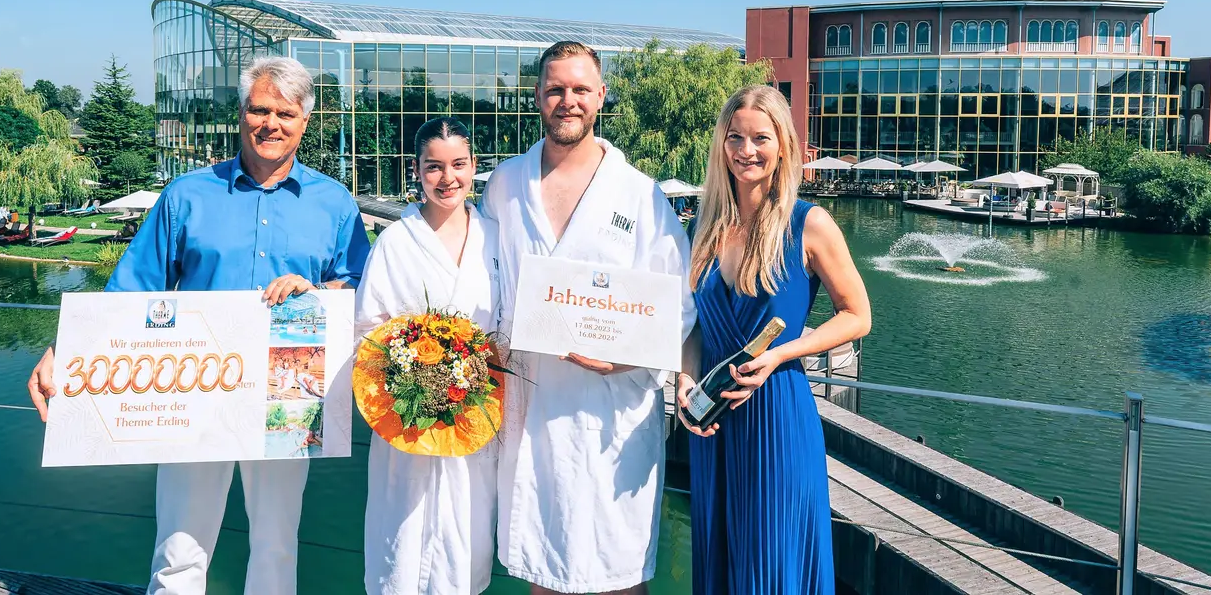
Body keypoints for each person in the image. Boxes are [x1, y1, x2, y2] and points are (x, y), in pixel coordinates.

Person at [26, 55, 371, 595]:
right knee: (180, 548)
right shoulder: (186, 195)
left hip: (290, 391)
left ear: (306, 120)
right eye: (260, 109)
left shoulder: (335, 203)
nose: (270, 124)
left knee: (277, 545)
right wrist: (64, 350)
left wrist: (321, 290)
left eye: (285, 113)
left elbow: (361, 289)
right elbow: (133, 287)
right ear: (241, 113)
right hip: (195, 387)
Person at [479, 41, 694, 595]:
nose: (567, 101)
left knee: (618, 573)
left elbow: (680, 302)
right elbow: (484, 284)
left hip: (612, 415)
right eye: (555, 89)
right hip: (533, 409)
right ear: (537, 97)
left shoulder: (642, 196)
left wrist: (628, 356)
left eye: (579, 89)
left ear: (600, 96)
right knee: (542, 570)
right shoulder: (505, 185)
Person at [676, 85, 871, 595]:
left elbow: (857, 316)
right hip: (710, 424)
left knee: (772, 560)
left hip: (777, 416)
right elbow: (693, 324)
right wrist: (684, 380)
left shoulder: (809, 224)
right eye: (735, 137)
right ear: (722, 145)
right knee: (720, 559)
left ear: (783, 144)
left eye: (760, 137)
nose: (746, 150)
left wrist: (783, 352)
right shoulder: (704, 225)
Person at [356, 117, 501, 595]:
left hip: (474, 417)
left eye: (458, 164)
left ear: (474, 166)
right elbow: (367, 332)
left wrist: (469, 373)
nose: (447, 178)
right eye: (433, 167)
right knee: (401, 537)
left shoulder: (497, 240)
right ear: (415, 171)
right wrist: (410, 374)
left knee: (467, 543)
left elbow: (513, 325)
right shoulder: (396, 242)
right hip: (407, 420)